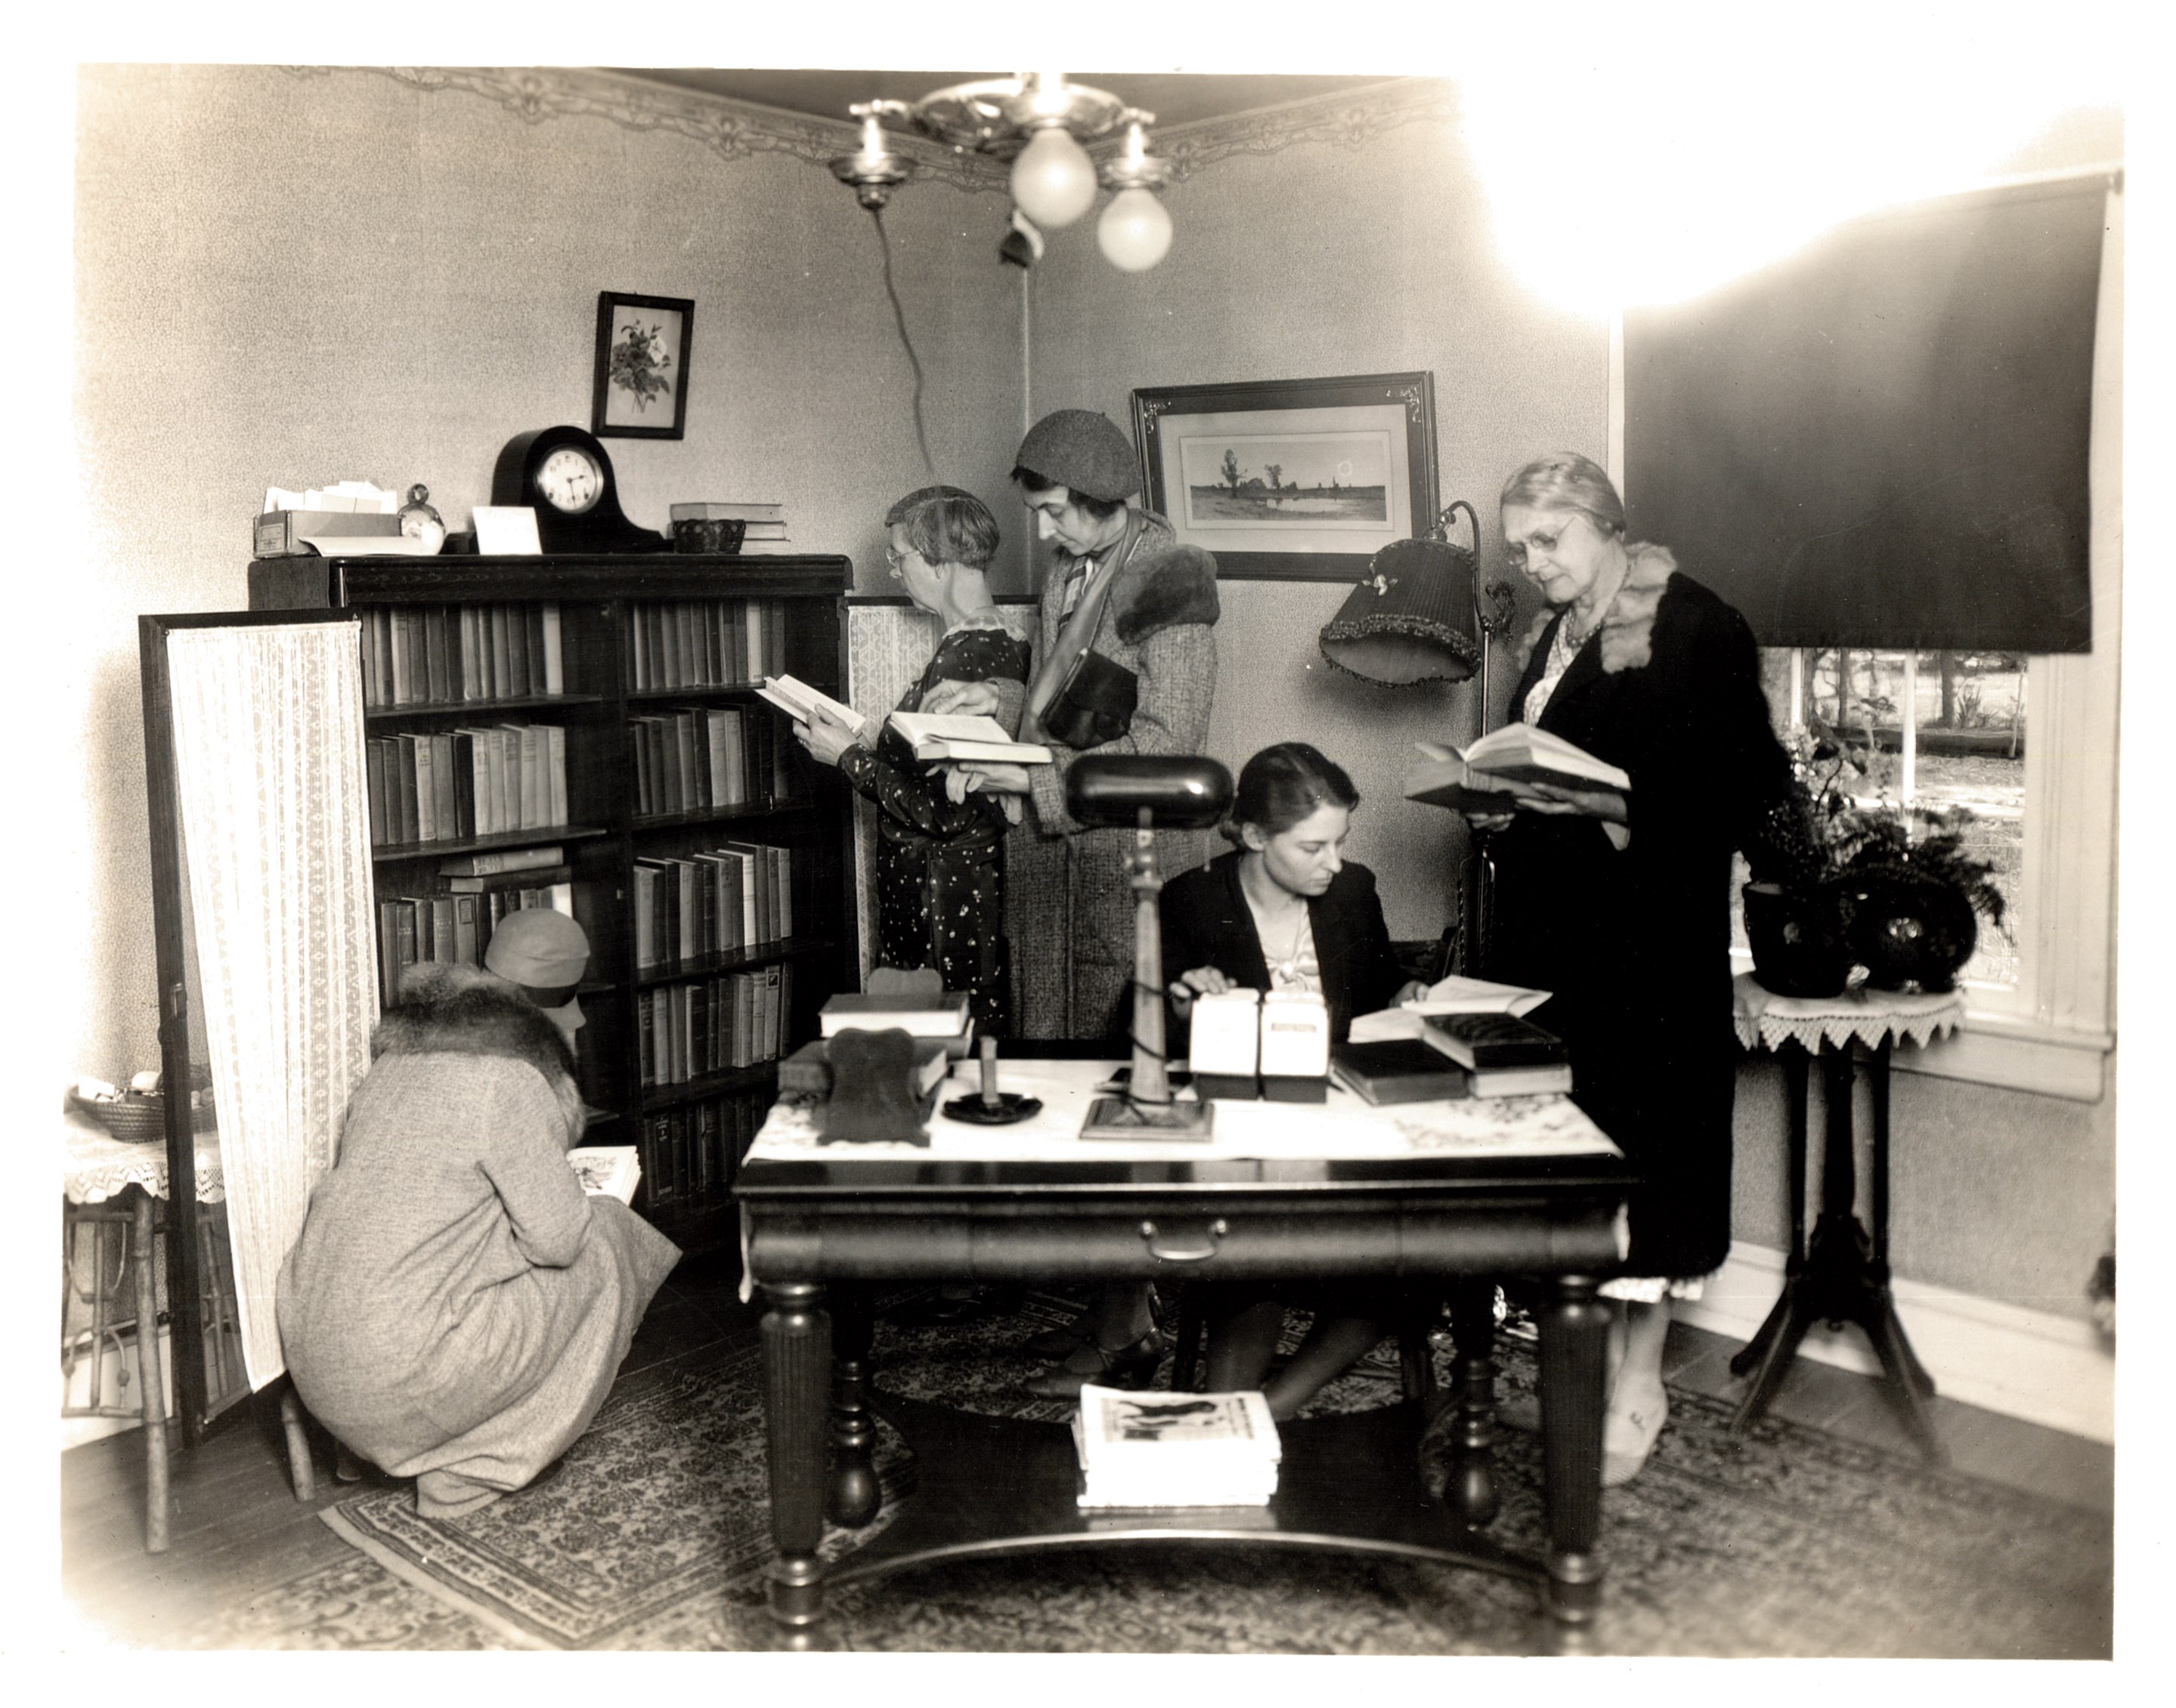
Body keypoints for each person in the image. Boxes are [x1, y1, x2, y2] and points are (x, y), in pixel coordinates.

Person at [1469, 451, 1794, 1484]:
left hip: (1645, 951)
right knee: (1567, 1160)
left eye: (1546, 540)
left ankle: (1637, 1387)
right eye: (1518, 546)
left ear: (1606, 526)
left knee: (1642, 1161)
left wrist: (1603, 805)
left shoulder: (1692, 622)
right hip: (1551, 943)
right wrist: (1509, 801)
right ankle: (1583, 1375)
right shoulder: (1554, 631)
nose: (1529, 562)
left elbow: (1750, 789)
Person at [924, 407, 1220, 1397]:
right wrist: (996, 708)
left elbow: (1169, 741)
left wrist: (1027, 778)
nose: (1044, 531)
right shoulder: (1068, 571)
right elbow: (1068, 708)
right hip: (1055, 861)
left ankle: (1129, 1322)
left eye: (1056, 510)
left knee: (1118, 1086)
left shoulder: (1172, 576)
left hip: (1126, 862)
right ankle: (1111, 1307)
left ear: (1103, 497)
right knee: (1062, 1081)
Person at [276, 910, 680, 1518]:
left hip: (319, 1372)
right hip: (401, 1376)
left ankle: (370, 1454)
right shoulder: (509, 1079)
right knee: (610, 1239)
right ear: (549, 1013)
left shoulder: (392, 1066)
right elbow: (560, 1242)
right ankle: (473, 1468)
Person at [1160, 742, 1426, 1419]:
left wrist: (1407, 995)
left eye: (1339, 842)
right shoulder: (1192, 900)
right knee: (1252, 1254)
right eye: (1313, 847)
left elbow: (1379, 985)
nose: (1332, 862)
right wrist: (1186, 1005)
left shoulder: (1352, 891)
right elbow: (1156, 1039)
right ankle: (1228, 1413)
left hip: (1344, 1127)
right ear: (1254, 836)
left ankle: (1272, 1408)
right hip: (1248, 1135)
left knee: (1408, 1256)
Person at [794, 484, 1029, 1032]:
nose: (894, 571)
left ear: (940, 561)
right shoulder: (994, 643)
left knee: (940, 1052)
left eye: (899, 557)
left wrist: (847, 756)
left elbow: (946, 810)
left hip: (942, 908)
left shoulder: (969, 656)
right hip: (946, 900)